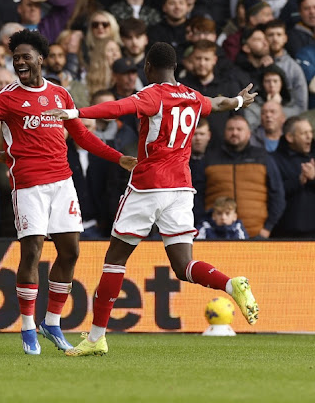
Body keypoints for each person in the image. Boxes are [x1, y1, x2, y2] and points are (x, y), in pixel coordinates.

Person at [0, 30, 134, 355]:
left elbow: (81, 136)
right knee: (32, 251)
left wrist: (117, 157)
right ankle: (27, 327)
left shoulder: (61, 94)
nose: (19, 62)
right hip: (28, 185)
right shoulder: (5, 98)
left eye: (25, 56)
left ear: (40, 59)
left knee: (70, 253)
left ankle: (52, 322)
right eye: (16, 57)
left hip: (63, 183)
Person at [43, 42, 260, 356]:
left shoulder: (151, 95)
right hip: (182, 189)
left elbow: (116, 108)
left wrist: (75, 112)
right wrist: (240, 100)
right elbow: (220, 102)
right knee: (183, 264)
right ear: (175, 67)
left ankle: (96, 337)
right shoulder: (192, 96)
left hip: (148, 186)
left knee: (115, 260)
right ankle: (231, 284)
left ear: (148, 67)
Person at [270, 116, 315, 239]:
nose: (309, 136)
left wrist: (313, 178)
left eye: (310, 132)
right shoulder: (273, 160)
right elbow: (273, 192)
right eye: (304, 133)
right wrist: (299, 180)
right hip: (285, 232)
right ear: (290, 137)